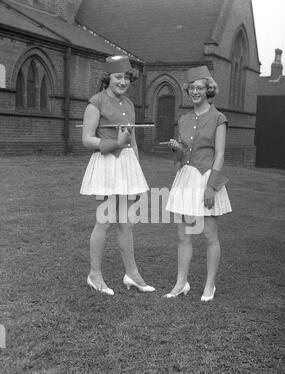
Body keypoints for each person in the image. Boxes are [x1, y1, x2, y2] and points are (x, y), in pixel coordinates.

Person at [80, 55, 155, 295]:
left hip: (126, 166)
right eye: (118, 77)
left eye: (126, 78)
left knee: (126, 223)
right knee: (105, 220)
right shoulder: (96, 102)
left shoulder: (130, 105)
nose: (123, 82)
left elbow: (132, 142)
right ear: (108, 78)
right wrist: (115, 142)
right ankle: (94, 275)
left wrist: (138, 172)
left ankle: (131, 274)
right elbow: (86, 139)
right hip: (107, 164)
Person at [164, 66, 232, 301]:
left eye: (199, 88)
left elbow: (220, 155)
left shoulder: (218, 118)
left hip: (206, 178)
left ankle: (209, 285)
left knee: (209, 234)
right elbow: (181, 157)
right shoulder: (183, 119)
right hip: (186, 177)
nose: (195, 92)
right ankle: (181, 283)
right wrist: (177, 149)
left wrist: (212, 186)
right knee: (183, 235)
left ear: (208, 90)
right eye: (191, 88)